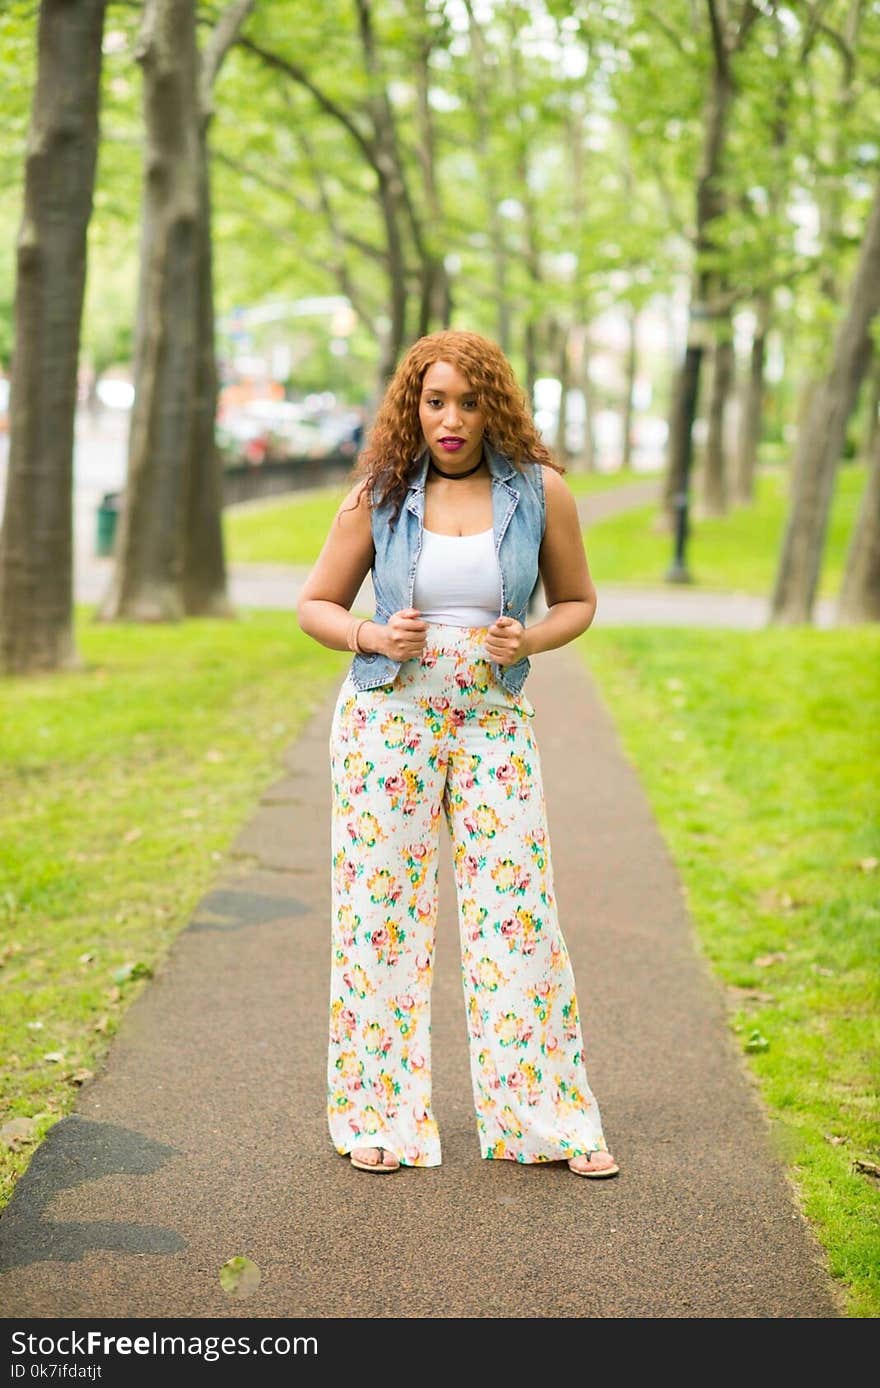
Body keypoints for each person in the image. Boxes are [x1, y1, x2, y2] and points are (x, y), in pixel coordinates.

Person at [296, 329, 619, 1178]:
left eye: (468, 402)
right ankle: (379, 1119)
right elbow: (315, 606)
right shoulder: (380, 491)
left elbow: (579, 600)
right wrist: (371, 630)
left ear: (493, 406)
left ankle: (545, 1122)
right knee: (380, 921)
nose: (450, 419)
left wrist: (531, 639)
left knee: (519, 923)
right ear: (414, 405)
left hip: (491, 726)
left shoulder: (540, 492)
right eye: (435, 401)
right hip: (386, 724)